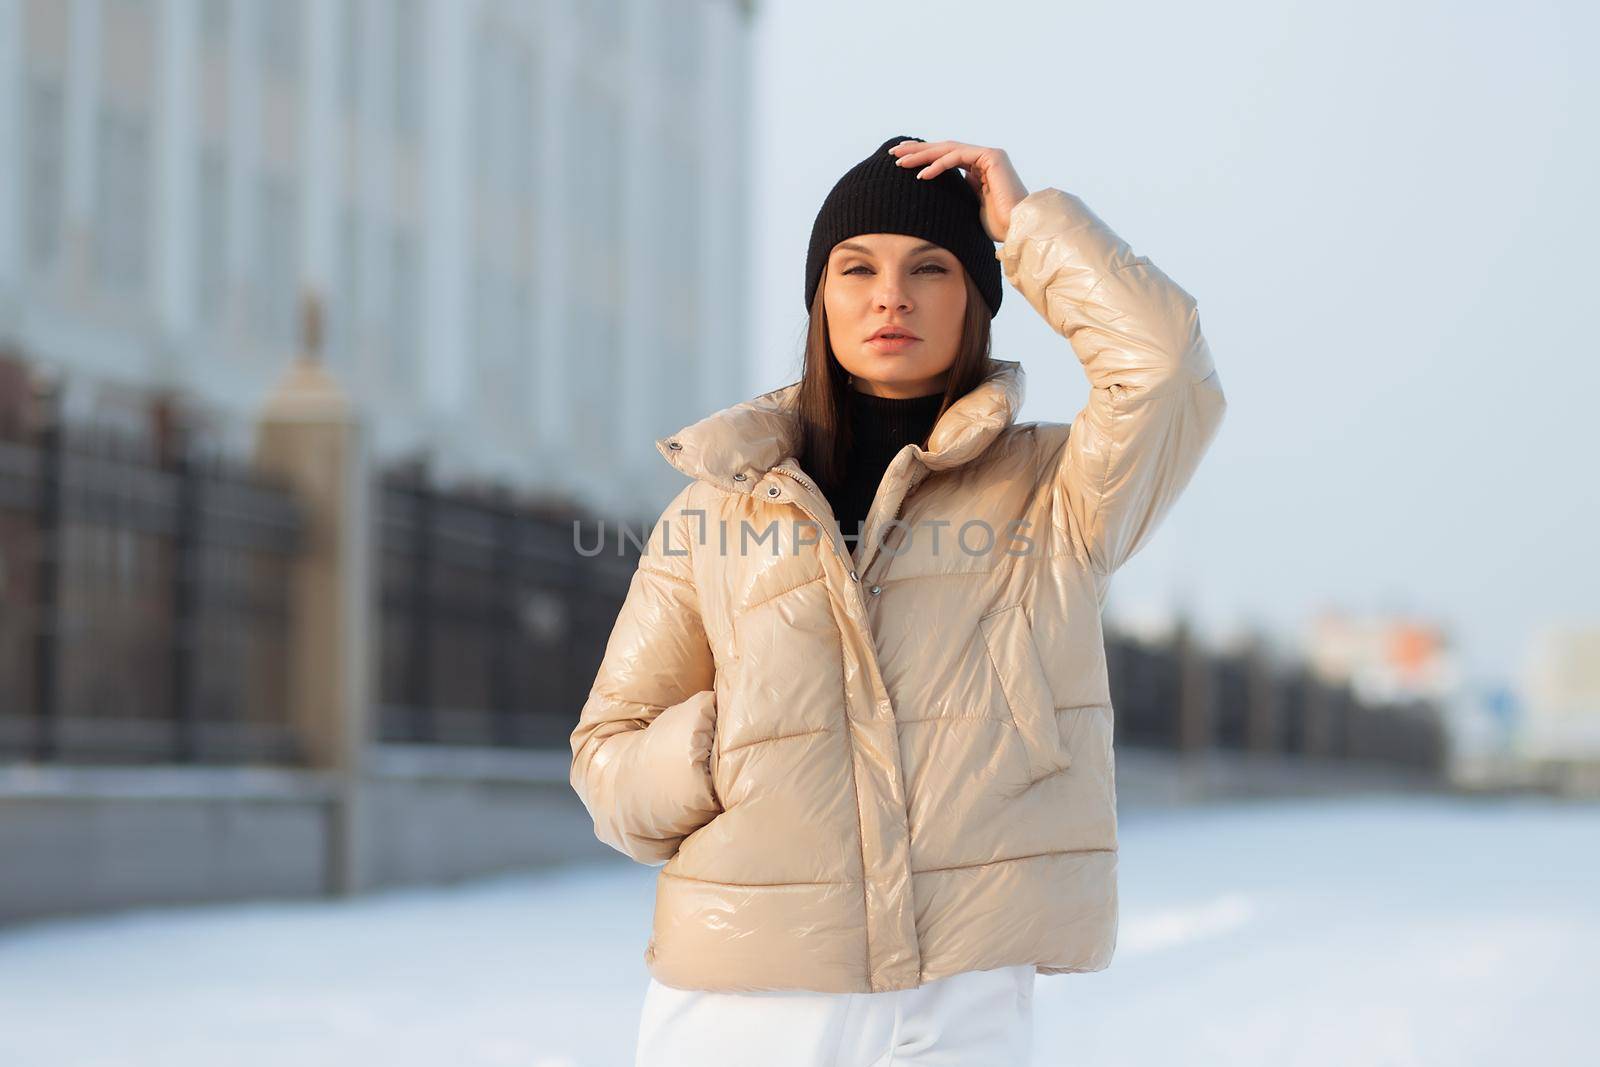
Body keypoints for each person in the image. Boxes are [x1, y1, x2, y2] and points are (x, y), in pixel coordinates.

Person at [569, 134, 1227, 1066]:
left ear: (978, 297)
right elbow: (607, 754)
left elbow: (1165, 370)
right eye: (857, 267)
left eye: (931, 266)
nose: (891, 294)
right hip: (745, 995)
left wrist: (1027, 225)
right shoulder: (716, 507)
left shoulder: (1056, 493)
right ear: (821, 299)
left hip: (960, 990)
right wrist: (718, 752)